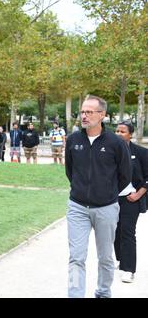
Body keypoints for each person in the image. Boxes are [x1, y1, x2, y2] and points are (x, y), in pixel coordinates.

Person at [65, 95, 131, 298]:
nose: (84, 116)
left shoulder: (115, 143)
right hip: (77, 207)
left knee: (105, 257)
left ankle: (103, 292)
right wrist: (81, 189)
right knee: (76, 257)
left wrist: (106, 193)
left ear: (101, 115)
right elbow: (70, 171)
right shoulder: (73, 139)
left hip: (106, 208)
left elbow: (125, 175)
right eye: (82, 112)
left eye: (89, 112)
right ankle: (75, 295)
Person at [114, 121, 148, 283]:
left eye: (122, 131)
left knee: (127, 231)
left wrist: (138, 194)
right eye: (117, 131)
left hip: (131, 198)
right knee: (115, 231)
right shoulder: (109, 151)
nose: (119, 134)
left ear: (130, 134)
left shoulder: (141, 153)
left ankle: (128, 269)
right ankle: (120, 258)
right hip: (111, 198)